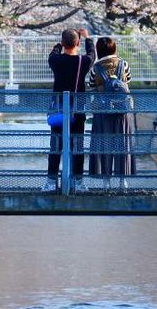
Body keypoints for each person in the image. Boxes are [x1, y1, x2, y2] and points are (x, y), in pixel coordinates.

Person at [45, 28, 94, 192]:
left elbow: (53, 53)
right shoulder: (83, 61)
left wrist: (59, 45)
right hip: (77, 111)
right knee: (77, 146)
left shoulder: (55, 61)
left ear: (63, 43)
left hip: (58, 110)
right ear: (77, 43)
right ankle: (78, 182)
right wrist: (87, 39)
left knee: (56, 145)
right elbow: (92, 54)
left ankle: (51, 183)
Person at [88, 36, 137, 189]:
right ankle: (123, 181)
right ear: (114, 48)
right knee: (123, 145)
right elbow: (127, 82)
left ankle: (106, 182)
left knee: (104, 145)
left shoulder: (95, 68)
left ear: (99, 50)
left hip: (102, 112)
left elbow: (91, 86)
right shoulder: (124, 64)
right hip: (123, 112)